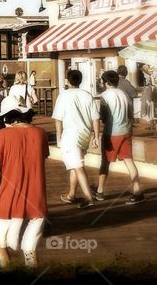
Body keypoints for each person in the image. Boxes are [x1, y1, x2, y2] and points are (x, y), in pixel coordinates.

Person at [0, 102, 47, 268]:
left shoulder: (4, 134)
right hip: (36, 199)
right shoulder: (41, 133)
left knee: (0, 245)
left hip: (7, 198)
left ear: (9, 118)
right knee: (30, 249)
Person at [52, 70, 100, 209]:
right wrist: (96, 136)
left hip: (71, 135)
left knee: (77, 166)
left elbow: (58, 119)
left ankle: (89, 198)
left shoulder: (64, 96)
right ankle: (71, 194)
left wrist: (58, 136)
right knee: (75, 164)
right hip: (85, 133)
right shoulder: (87, 95)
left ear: (68, 80)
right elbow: (95, 117)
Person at [95, 71, 145, 204]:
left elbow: (103, 116)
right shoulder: (123, 94)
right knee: (129, 161)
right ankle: (137, 191)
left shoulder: (104, 95)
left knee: (105, 162)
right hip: (126, 130)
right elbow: (130, 114)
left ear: (106, 82)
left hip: (112, 132)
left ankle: (100, 191)